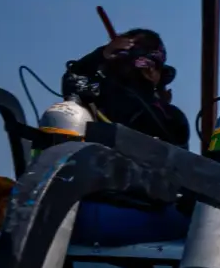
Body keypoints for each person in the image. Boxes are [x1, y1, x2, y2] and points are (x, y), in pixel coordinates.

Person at [56, 28, 191, 244]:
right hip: (124, 217)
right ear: (150, 71)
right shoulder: (168, 116)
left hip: (77, 217)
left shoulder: (92, 99)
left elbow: (74, 79)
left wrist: (100, 56)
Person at [61, 28, 190, 148]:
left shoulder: (170, 117)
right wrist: (101, 54)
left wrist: (102, 55)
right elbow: (73, 79)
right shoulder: (95, 96)